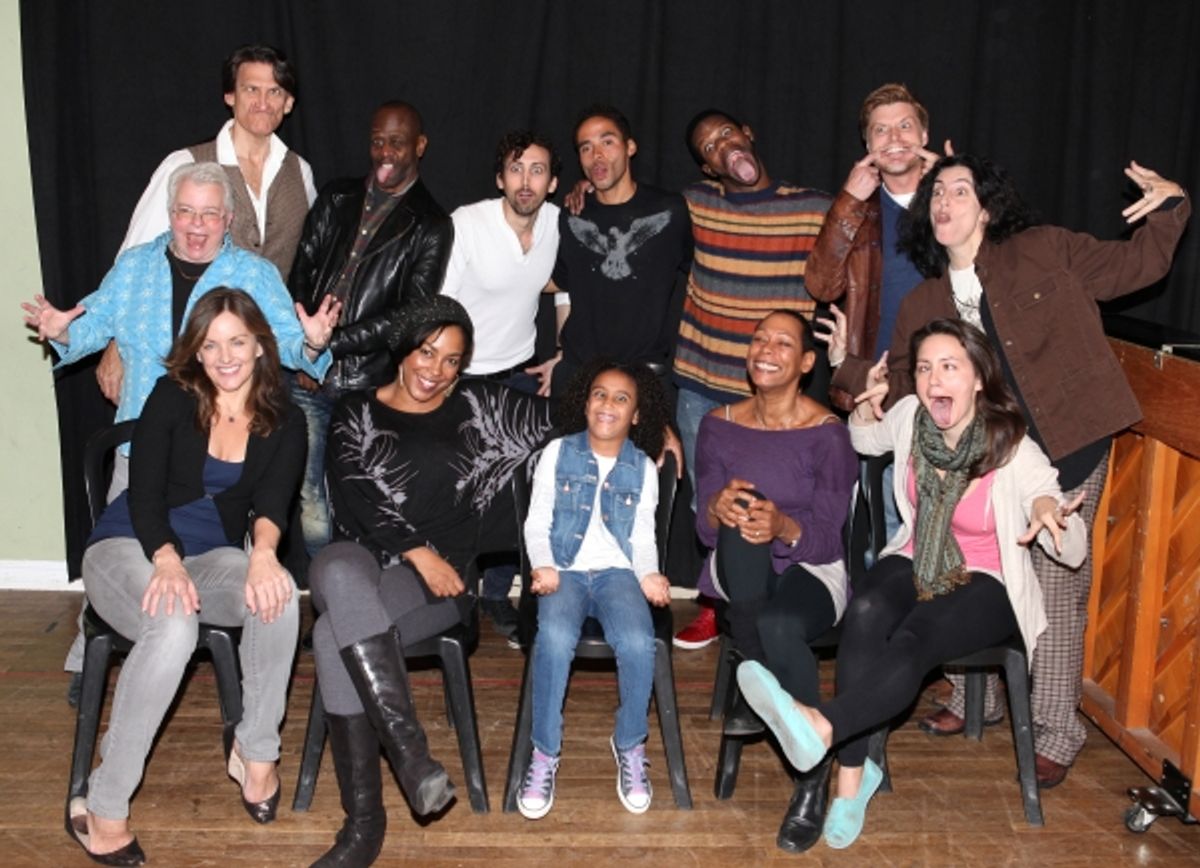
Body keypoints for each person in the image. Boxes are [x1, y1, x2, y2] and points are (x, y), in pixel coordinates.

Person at [834, 153, 1190, 786]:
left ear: (988, 206)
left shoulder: (1044, 250)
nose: (944, 201)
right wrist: (845, 368)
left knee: (1054, 585)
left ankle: (1056, 726)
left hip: (1065, 443)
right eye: (936, 193)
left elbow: (1140, 264)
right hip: (973, 462)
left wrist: (1170, 208)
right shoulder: (924, 301)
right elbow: (894, 385)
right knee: (966, 571)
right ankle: (980, 697)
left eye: (960, 190)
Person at [738, 318, 1087, 850]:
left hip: (987, 579)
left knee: (915, 636)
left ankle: (821, 726)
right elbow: (861, 435)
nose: (933, 379)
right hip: (918, 557)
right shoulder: (909, 419)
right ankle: (853, 782)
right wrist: (863, 404)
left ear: (977, 380)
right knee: (868, 608)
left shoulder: (1012, 446)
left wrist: (1048, 510)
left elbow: (1069, 539)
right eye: (925, 368)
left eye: (950, 367)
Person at [24, 161, 337, 691]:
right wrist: (60, 331)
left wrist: (312, 342)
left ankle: (227, 662)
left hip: (221, 450)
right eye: (185, 212)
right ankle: (91, 652)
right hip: (141, 450)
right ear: (170, 215)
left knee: (228, 568)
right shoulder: (133, 267)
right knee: (125, 558)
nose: (196, 225)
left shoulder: (255, 275)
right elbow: (90, 326)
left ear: (229, 219)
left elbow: (289, 348)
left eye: (209, 214)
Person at [307, 296, 555, 867]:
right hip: (366, 555)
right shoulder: (354, 409)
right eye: (427, 351)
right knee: (341, 573)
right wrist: (417, 551)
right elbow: (356, 492)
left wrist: (651, 418)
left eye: (452, 360)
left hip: (438, 582)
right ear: (405, 348)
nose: (436, 369)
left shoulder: (479, 404)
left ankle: (363, 826)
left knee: (329, 638)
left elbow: (580, 414)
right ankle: (414, 759)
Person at [66, 289, 306, 864]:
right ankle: (104, 802)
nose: (226, 357)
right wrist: (166, 559)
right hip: (130, 546)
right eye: (211, 344)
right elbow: (144, 495)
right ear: (196, 352)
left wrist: (264, 554)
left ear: (260, 345)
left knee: (278, 597)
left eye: (238, 342)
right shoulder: (171, 397)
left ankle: (256, 753)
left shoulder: (285, 416)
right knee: (172, 624)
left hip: (208, 556)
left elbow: (274, 503)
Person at [669, 109, 833, 651]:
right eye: (709, 147)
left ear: (749, 133)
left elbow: (855, 268)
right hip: (705, 387)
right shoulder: (694, 204)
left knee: (785, 507)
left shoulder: (811, 207)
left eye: (727, 134)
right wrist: (582, 192)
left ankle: (780, 608)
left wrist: (851, 331)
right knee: (711, 507)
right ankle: (720, 607)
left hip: (782, 396)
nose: (723, 147)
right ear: (706, 165)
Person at [694, 310, 856, 852]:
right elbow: (704, 526)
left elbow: (830, 539)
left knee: (783, 621)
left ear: (807, 362)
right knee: (741, 512)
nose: (765, 348)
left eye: (782, 342)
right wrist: (719, 508)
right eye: (760, 338)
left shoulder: (828, 435)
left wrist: (784, 526)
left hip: (810, 563)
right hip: (740, 567)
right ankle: (757, 662)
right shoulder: (718, 423)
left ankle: (810, 782)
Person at [96, 43, 318, 405]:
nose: (263, 101)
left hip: (258, 367)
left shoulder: (301, 173)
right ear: (229, 96)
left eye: (274, 91)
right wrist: (115, 346)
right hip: (180, 359)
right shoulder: (183, 165)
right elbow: (134, 263)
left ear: (288, 103)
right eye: (251, 89)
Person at [288, 100, 453, 554]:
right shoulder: (336, 197)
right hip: (305, 376)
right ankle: (325, 598)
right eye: (377, 140)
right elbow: (300, 271)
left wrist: (328, 347)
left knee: (362, 497)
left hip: (367, 385)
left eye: (397, 142)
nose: (385, 151)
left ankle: (361, 600)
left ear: (419, 145)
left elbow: (407, 317)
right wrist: (302, 346)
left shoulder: (432, 224)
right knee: (311, 498)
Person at [517, 359, 673, 819]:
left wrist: (649, 573)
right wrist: (543, 565)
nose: (608, 404)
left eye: (622, 399)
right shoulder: (558, 452)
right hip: (563, 569)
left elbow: (643, 536)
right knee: (556, 638)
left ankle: (630, 744)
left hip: (617, 572)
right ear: (585, 402)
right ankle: (545, 751)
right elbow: (537, 522)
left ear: (638, 415)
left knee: (637, 641)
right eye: (600, 394)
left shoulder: (643, 466)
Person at [440, 129, 562, 641]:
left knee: (522, 496)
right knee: (463, 496)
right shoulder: (467, 223)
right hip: (463, 378)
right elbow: (441, 303)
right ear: (500, 179)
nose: (525, 180)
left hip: (519, 376)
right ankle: (458, 600)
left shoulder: (560, 223)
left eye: (536, 170)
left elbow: (567, 290)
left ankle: (497, 595)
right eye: (516, 169)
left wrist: (563, 354)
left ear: (552, 182)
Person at [531, 104, 692, 398]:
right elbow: (564, 286)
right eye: (586, 147)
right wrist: (560, 352)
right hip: (578, 375)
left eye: (607, 142)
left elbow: (699, 277)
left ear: (630, 147)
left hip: (644, 379)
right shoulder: (572, 214)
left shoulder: (670, 211)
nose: (597, 156)